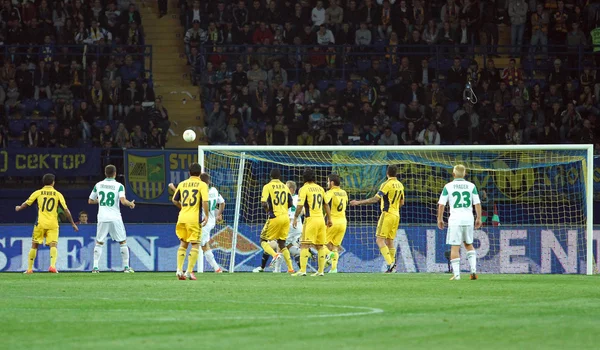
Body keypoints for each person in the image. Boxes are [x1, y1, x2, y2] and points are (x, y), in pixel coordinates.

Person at [15, 174, 79, 274]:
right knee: (53, 245)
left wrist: (19, 208)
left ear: (43, 182)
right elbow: (66, 210)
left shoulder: (38, 193)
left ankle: (29, 269)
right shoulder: (58, 194)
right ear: (53, 182)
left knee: (34, 245)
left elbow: (27, 203)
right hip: (53, 224)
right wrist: (73, 223)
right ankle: (52, 266)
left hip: (40, 223)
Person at [350, 165, 404, 273]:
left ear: (387, 173)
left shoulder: (386, 184)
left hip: (387, 214)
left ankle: (390, 263)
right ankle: (393, 267)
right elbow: (402, 202)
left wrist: (359, 202)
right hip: (396, 215)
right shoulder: (400, 185)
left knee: (379, 240)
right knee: (390, 241)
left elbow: (376, 199)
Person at [437, 164, 482, 280]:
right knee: (468, 244)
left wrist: (440, 219)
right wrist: (479, 218)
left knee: (455, 247)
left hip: (455, 219)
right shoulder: (471, 186)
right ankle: (473, 270)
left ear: (453, 174)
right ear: (465, 174)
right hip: (468, 218)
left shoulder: (448, 186)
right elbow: (477, 203)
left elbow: (441, 204)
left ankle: (457, 275)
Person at [88, 165, 136, 273]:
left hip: (102, 217)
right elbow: (123, 201)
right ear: (115, 173)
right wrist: (131, 204)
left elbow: (90, 201)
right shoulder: (119, 186)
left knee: (99, 242)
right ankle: (126, 267)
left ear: (105, 173)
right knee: (122, 242)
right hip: (115, 217)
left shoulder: (98, 185)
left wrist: (100, 200)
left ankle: (95, 267)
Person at [169, 163, 210, 280]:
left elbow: (174, 200)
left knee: (183, 243)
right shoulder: (202, 185)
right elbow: (205, 202)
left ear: (189, 173)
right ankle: (188, 271)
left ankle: (178, 270)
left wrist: (183, 208)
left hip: (182, 218)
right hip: (193, 219)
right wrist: (206, 215)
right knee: (195, 244)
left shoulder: (182, 184)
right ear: (200, 173)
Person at [254, 180, 304, 273]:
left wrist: (292, 217)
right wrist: (296, 217)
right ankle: (293, 264)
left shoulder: (284, 198)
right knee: (285, 245)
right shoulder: (298, 198)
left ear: (291, 189)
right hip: (297, 225)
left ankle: (277, 269)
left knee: (276, 244)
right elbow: (302, 211)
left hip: (288, 223)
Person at [293, 168, 332, 276]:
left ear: (303, 177)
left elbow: (300, 205)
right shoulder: (320, 189)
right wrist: (329, 219)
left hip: (311, 220)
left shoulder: (304, 189)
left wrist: (296, 217)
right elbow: (326, 205)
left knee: (304, 245)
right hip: (321, 220)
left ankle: (303, 270)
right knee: (320, 246)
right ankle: (320, 271)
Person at [259, 169, 296, 273]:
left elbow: (263, 203)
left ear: (270, 176)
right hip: (285, 218)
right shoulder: (285, 187)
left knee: (263, 240)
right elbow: (290, 203)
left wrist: (269, 211)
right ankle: (290, 268)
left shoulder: (267, 186)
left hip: (275, 216)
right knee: (282, 243)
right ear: (280, 177)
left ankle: (275, 255)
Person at [199, 173, 225, 273]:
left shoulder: (201, 193)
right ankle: (216, 268)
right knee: (203, 244)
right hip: (211, 221)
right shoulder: (214, 190)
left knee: (201, 245)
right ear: (209, 181)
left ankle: (216, 268)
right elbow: (222, 203)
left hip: (204, 222)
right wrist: (218, 214)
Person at [324, 174, 348, 273]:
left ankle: (328, 255)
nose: (327, 183)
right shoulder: (344, 192)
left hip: (333, 221)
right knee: (335, 246)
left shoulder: (331, 192)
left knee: (321, 243)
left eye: (328, 181)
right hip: (343, 222)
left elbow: (324, 201)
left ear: (332, 183)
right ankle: (334, 268)